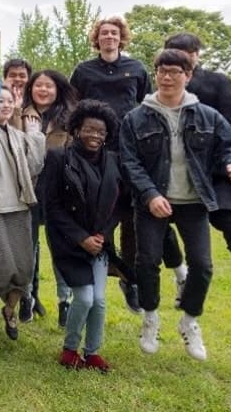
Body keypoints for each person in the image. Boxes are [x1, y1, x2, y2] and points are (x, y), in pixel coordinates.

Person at [121, 48, 231, 361]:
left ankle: (189, 321)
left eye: (175, 72)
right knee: (147, 262)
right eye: (162, 71)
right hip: (153, 201)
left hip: (194, 202)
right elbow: (129, 161)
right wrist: (150, 194)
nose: (167, 77)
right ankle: (150, 317)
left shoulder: (207, 115)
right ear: (156, 75)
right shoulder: (136, 117)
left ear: (188, 76)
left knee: (203, 265)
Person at [70, 16, 183, 312]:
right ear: (97, 38)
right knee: (100, 214)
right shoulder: (83, 71)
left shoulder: (135, 69)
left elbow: (149, 106)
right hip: (94, 154)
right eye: (104, 32)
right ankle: (102, 271)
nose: (109, 36)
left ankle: (129, 278)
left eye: (114, 32)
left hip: (130, 152)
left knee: (133, 215)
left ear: (122, 38)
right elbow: (72, 108)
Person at [164, 33, 231, 319]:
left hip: (219, 171)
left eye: (187, 52)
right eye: (174, 52)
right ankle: (181, 275)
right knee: (156, 222)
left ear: (196, 55)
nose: (181, 57)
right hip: (182, 174)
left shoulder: (217, 82)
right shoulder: (162, 84)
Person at [40, 100, 121, 372]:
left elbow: (118, 205)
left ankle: (93, 353)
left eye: (101, 132)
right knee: (84, 298)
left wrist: (103, 236)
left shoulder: (113, 161)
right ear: (76, 129)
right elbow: (50, 206)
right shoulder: (58, 158)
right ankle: (70, 349)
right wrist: (80, 238)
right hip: (69, 242)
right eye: (89, 129)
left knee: (98, 301)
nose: (95, 136)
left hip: (99, 243)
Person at [0, 85, 45, 343]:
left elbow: (34, 168)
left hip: (20, 205)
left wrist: (35, 136)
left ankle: (9, 309)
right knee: (0, 265)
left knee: (24, 269)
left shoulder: (17, 135)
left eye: (9, 101)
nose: (5, 105)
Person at [20, 69, 79, 326]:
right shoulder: (18, 114)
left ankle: (64, 301)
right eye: (38, 85)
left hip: (58, 193)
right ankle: (27, 298)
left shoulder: (70, 119)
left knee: (60, 248)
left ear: (58, 90)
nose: (43, 90)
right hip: (27, 189)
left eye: (49, 86)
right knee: (27, 247)